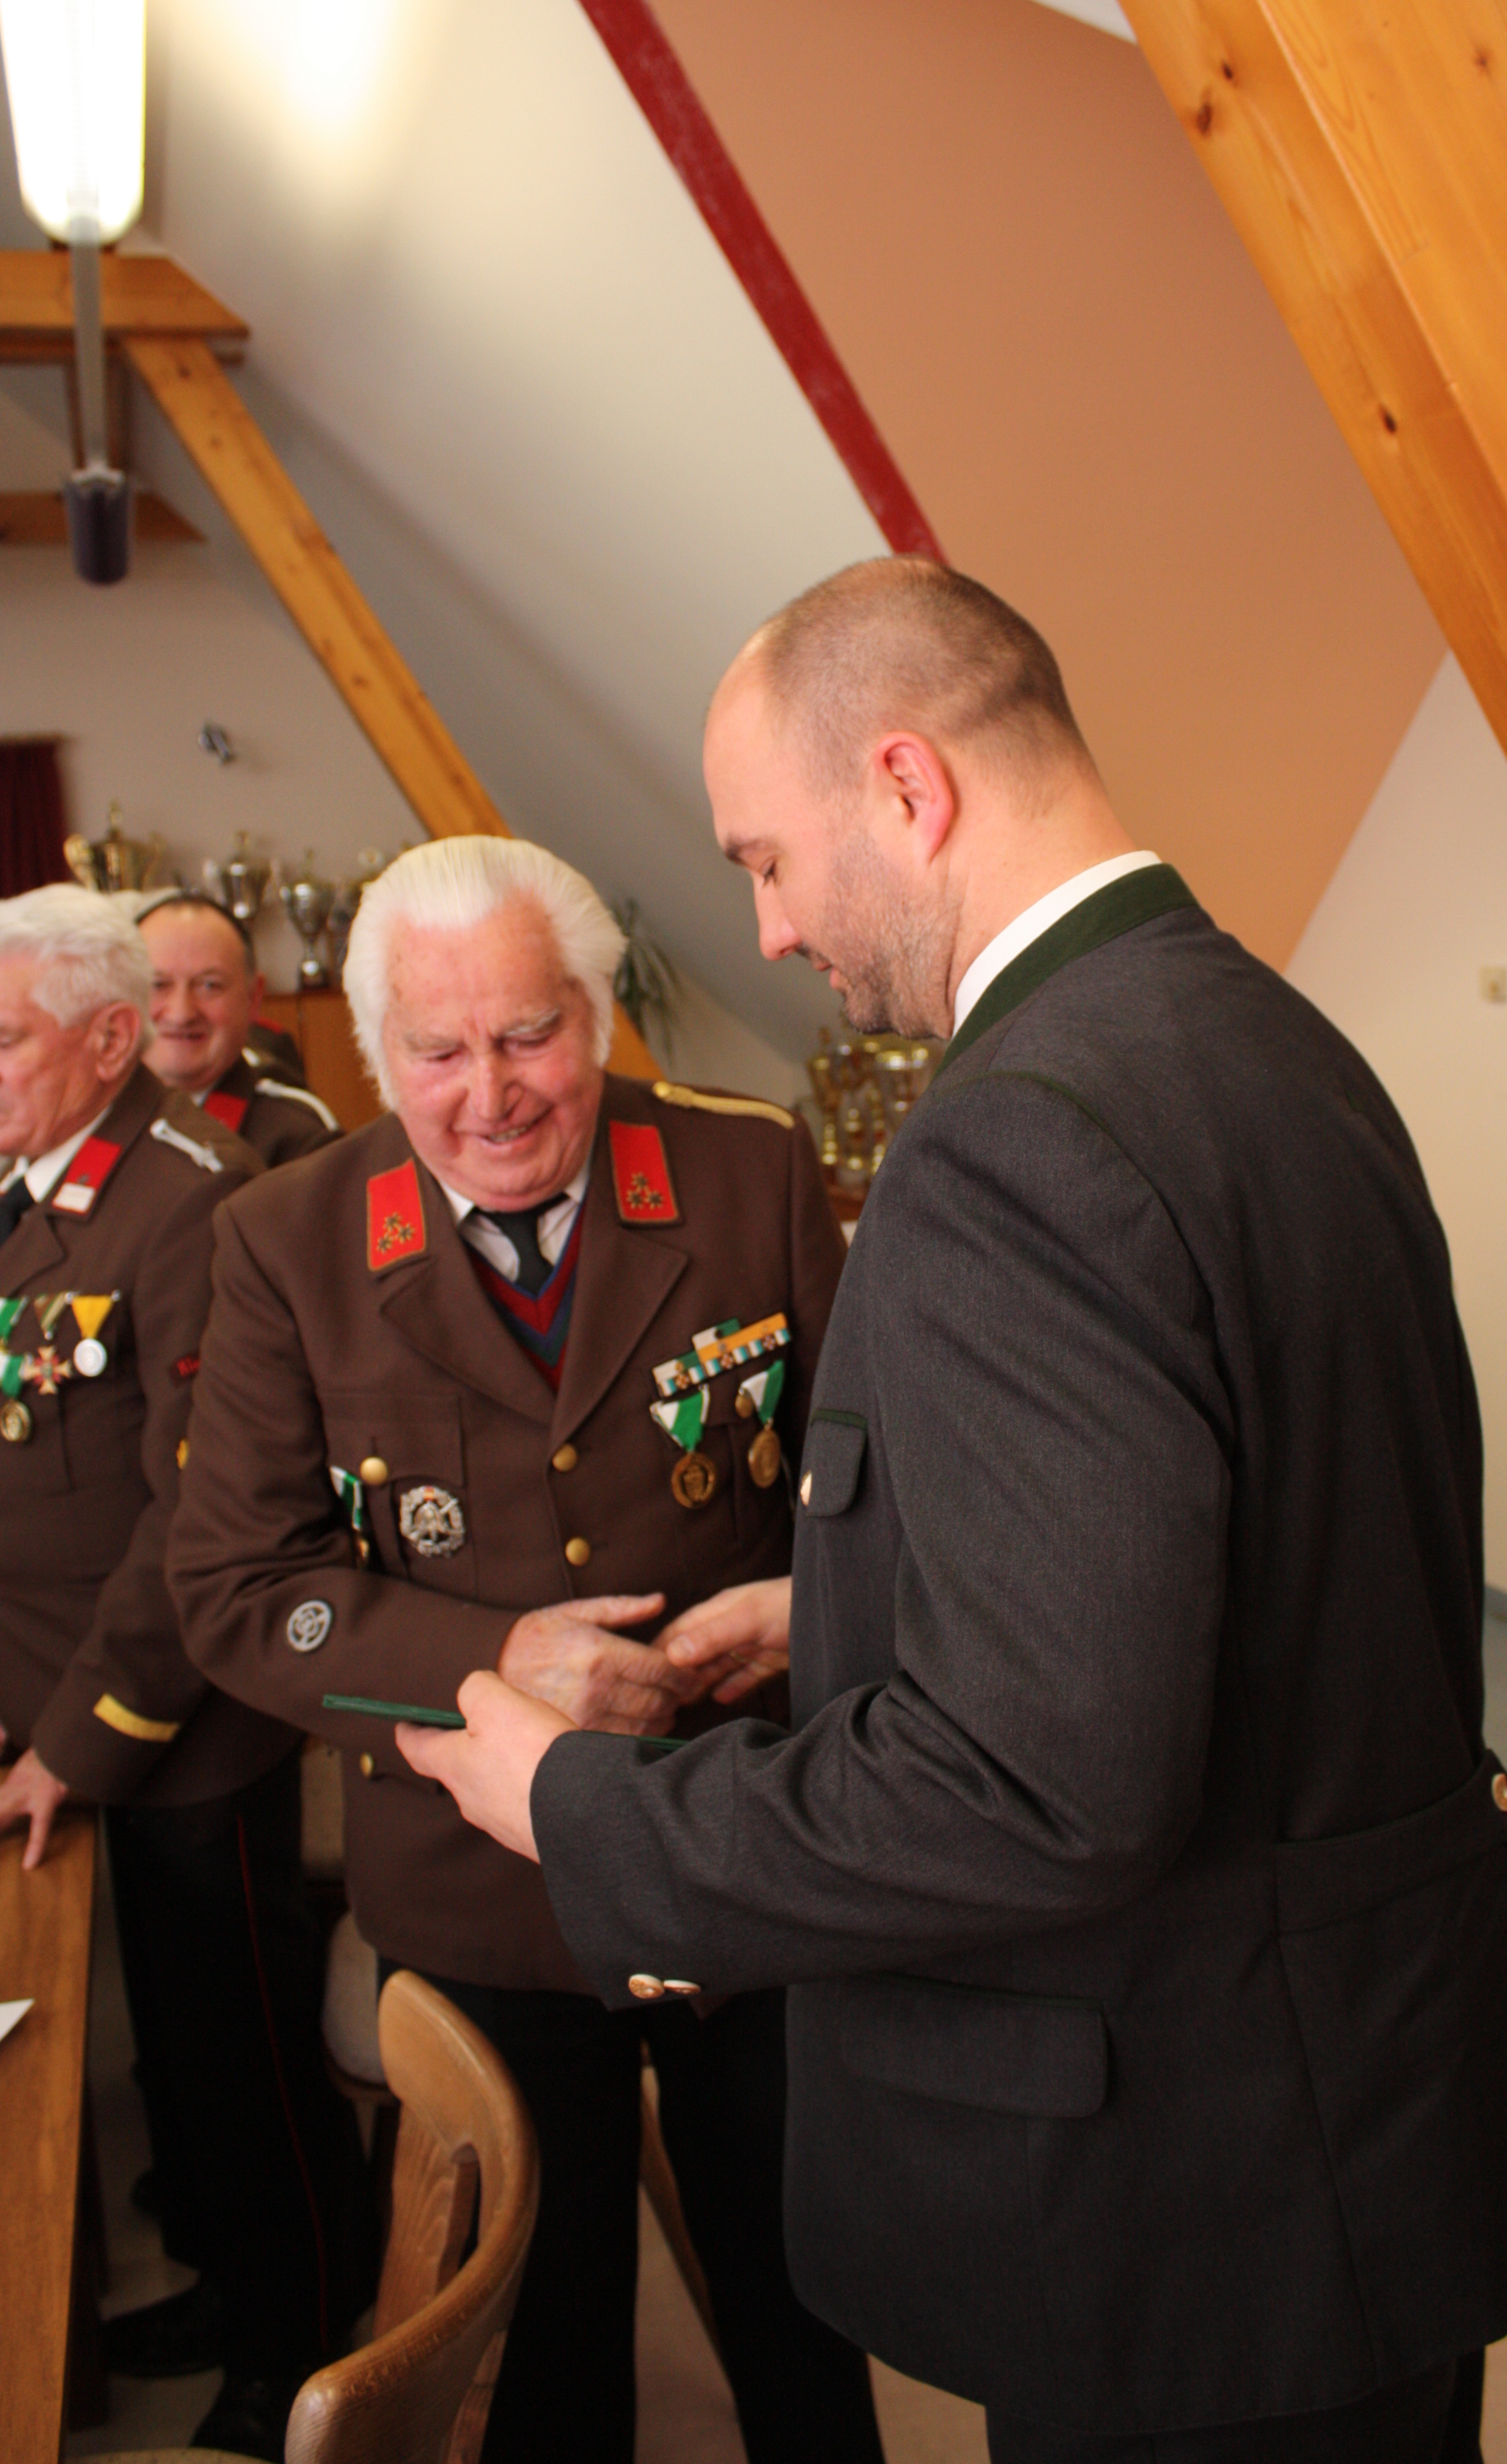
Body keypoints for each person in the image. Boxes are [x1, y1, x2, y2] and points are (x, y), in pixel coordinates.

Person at [399, 560, 1507, 2464]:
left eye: (766, 859)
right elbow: (1269, 1540)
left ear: (905, 785)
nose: (766, 927)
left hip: (1194, 2184)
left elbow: (1037, 1786)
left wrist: (576, 1806)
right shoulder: (1257, 1034)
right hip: (1364, 2095)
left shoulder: (1016, 1132)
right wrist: (850, 1604)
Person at [168, 836, 885, 2464]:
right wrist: (494, 1660)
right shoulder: (285, 1238)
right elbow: (237, 1582)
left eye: (526, 1035)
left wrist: (813, 1602)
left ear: (596, 1015)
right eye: (436, 1049)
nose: (487, 1094)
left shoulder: (747, 1170)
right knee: (539, 2362)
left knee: (811, 2310)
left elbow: (875, 1479)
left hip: (746, 1839)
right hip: (482, 1889)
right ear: (376, 1052)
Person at [0, 884, 371, 2462]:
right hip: (53, 1693)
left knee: (240, 2059)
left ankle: (302, 2327)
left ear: (105, 1041)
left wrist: (79, 1740)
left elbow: (194, 1520)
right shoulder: (35, 1180)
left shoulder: (193, 1203)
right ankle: (228, 2280)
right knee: (170, 2051)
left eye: (4, 1038)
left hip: (177, 1718)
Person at [139, 890, 339, 1166]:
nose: (181, 1014)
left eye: (209, 985)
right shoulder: (98, 1113)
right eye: (158, 985)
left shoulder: (298, 1137)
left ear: (254, 997)